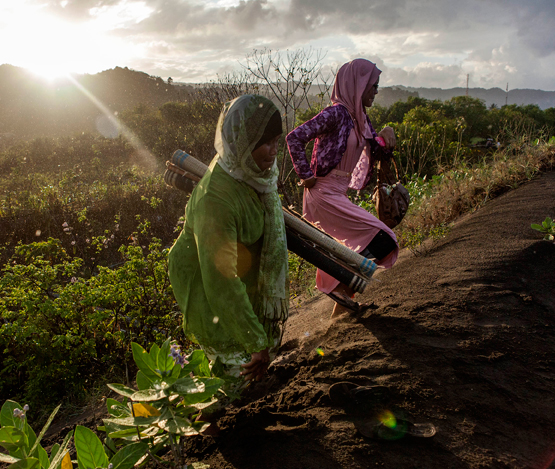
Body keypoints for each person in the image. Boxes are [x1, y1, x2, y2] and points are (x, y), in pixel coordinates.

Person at [168, 94, 289, 386]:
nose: (274, 151)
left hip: (245, 287)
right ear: (242, 141)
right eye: (265, 142)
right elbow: (221, 283)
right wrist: (253, 340)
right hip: (214, 299)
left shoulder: (256, 176)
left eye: (277, 141)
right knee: (232, 386)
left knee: (260, 367)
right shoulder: (217, 199)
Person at [286, 58, 399, 317]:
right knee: (384, 238)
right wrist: (306, 175)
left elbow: (378, 147)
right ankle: (337, 283)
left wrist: (388, 129)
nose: (376, 91)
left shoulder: (361, 119)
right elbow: (294, 137)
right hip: (322, 193)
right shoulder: (335, 113)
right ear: (358, 85)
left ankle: (340, 311)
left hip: (338, 192)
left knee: (371, 245)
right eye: (373, 86)